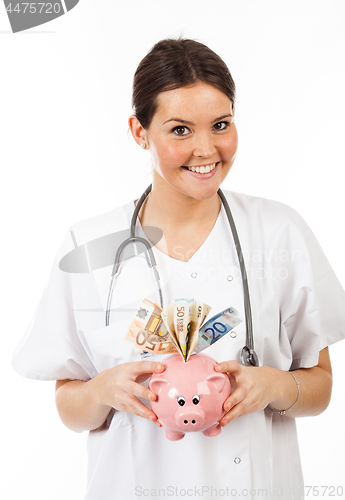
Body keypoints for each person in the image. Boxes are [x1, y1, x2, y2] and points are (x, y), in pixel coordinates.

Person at [12, 37, 345, 500]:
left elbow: (321, 388)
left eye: (221, 124)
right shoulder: (89, 247)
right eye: (180, 130)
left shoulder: (279, 232)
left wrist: (274, 384)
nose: (207, 149)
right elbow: (69, 406)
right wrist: (101, 391)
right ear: (138, 131)